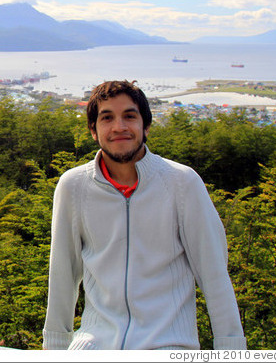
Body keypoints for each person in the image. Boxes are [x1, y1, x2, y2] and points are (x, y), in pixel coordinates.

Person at [42, 79, 247, 350]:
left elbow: (214, 275)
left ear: (146, 126)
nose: (119, 127)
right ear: (94, 130)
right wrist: (54, 348)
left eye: (130, 116)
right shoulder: (74, 186)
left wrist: (231, 349)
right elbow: (63, 274)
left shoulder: (181, 183)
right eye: (107, 118)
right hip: (92, 346)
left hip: (169, 346)